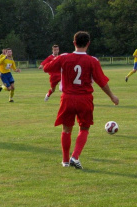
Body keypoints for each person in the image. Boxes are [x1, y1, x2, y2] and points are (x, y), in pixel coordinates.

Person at [44, 31, 119, 169]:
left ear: (74, 43)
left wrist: (59, 59)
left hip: (67, 98)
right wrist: (112, 96)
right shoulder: (92, 61)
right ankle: (75, 156)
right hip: (85, 99)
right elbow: (101, 82)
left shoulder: (64, 57)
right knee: (84, 127)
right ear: (88, 44)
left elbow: (46, 68)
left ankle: (65, 161)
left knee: (66, 129)